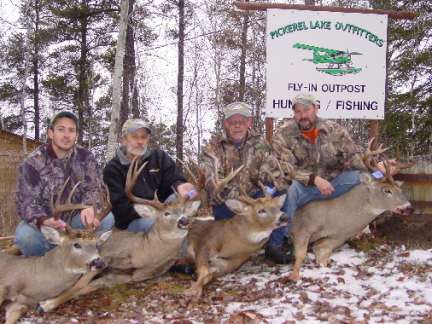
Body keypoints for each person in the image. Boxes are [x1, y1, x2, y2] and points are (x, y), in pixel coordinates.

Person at [272, 93, 398, 245]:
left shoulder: (335, 131)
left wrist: (378, 170)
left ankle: (364, 227)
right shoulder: (283, 134)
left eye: (306, 110)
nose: (302, 115)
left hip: (334, 184)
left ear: (316, 109)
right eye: (298, 111)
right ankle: (281, 241)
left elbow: (354, 157)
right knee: (287, 189)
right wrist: (315, 179)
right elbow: (286, 168)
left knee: (366, 178)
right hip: (302, 188)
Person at [201, 102, 292, 264]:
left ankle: (274, 246)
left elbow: (273, 170)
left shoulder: (261, 144)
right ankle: (219, 252)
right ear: (226, 124)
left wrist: (269, 185)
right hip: (227, 202)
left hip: (254, 200)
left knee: (281, 192)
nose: (237, 126)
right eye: (233, 122)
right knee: (225, 238)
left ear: (249, 123)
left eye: (241, 121)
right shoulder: (213, 147)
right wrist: (228, 194)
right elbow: (209, 178)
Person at [15, 111, 114, 257]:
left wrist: (89, 207)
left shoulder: (86, 157)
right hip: (48, 225)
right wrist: (44, 220)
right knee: (25, 237)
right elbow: (25, 202)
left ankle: (83, 256)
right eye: (61, 129)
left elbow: (95, 188)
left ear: (76, 135)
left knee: (107, 219)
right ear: (50, 133)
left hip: (76, 221)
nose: (66, 135)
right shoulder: (33, 162)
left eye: (71, 130)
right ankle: (58, 258)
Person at [103, 119, 197, 232]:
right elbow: (120, 211)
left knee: (185, 205)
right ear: (123, 140)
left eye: (144, 137)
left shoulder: (159, 157)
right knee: (156, 224)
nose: (140, 141)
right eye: (134, 137)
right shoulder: (113, 169)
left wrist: (180, 185)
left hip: (164, 208)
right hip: (134, 219)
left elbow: (173, 177)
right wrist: (152, 209)